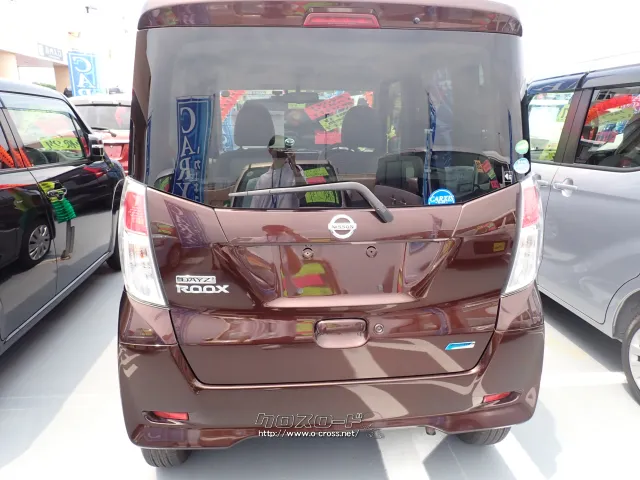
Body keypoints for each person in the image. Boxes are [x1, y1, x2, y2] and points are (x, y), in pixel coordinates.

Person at [250, 135, 307, 209]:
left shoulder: (295, 172)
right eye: (278, 149)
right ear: (270, 151)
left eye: (284, 149)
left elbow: (301, 193)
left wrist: (293, 164)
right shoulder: (263, 179)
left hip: (287, 215)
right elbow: (255, 206)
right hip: (266, 216)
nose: (281, 151)